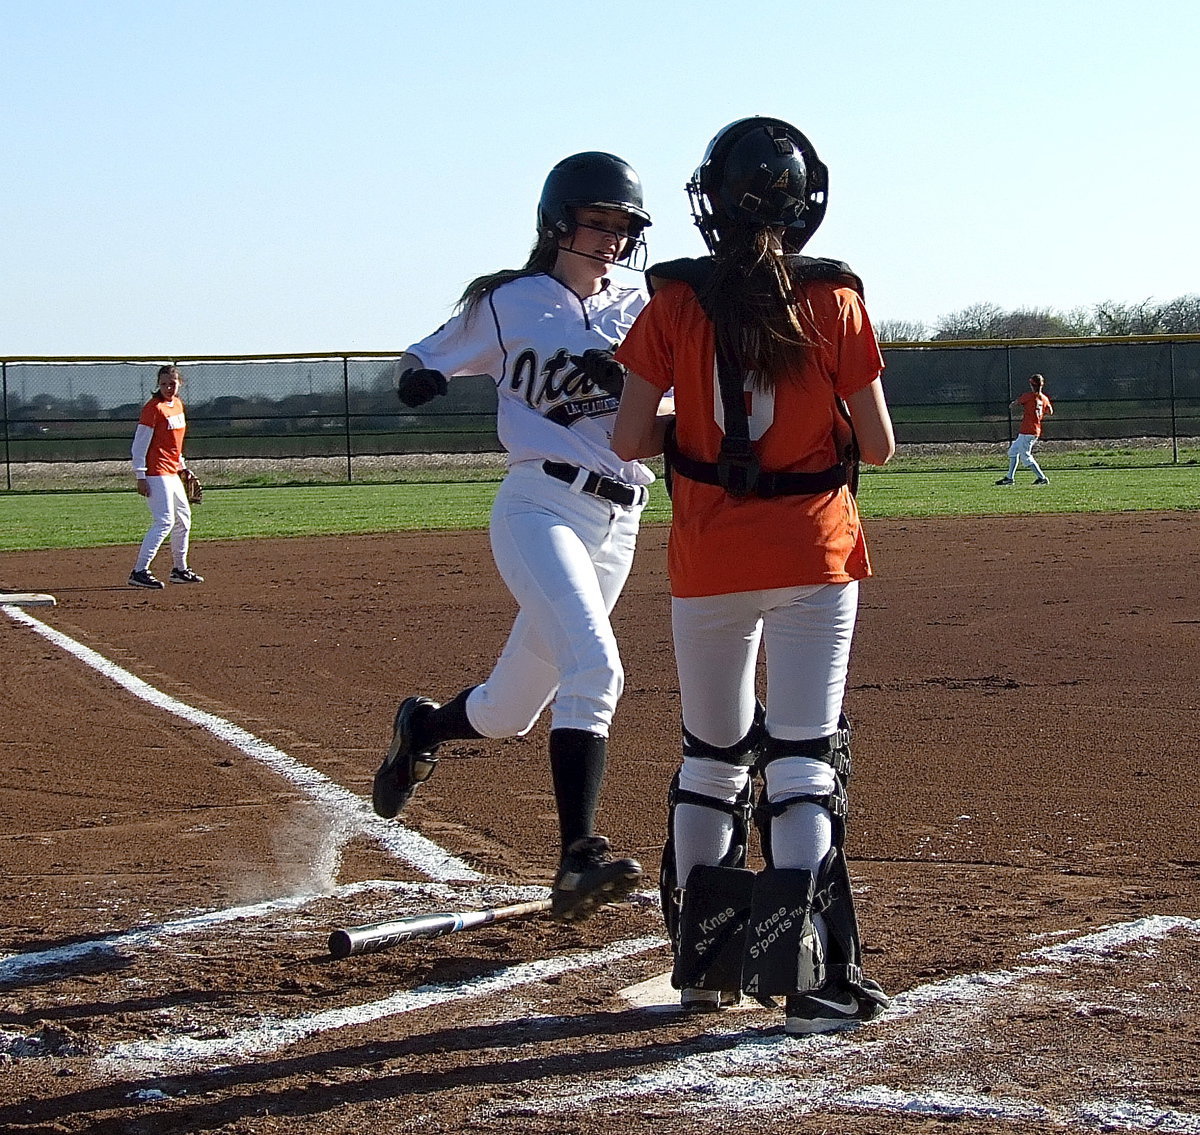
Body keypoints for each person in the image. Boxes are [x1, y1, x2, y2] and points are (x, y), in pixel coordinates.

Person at [610, 116, 896, 1033]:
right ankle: (803, 970)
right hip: (815, 555)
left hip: (710, 558)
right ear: (805, 201)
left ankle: (702, 964)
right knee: (804, 758)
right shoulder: (837, 301)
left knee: (712, 755)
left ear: (714, 203)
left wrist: (690, 427)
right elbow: (880, 447)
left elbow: (625, 440)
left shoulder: (673, 303)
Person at [372, 152, 660, 924]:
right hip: (540, 506)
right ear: (558, 221)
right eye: (596, 221)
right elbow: (423, 355)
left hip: (621, 519)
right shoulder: (509, 301)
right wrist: (419, 379)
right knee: (595, 667)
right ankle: (577, 857)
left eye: (622, 225)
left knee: (509, 710)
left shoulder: (645, 300)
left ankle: (422, 728)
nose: (610, 238)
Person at [128, 365, 204, 589]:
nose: (168, 388)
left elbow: (174, 445)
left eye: (172, 383)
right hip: (155, 472)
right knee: (164, 521)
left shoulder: (178, 405)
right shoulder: (153, 409)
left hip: (172, 470)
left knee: (184, 520)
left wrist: (183, 467)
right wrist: (140, 475)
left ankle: (180, 570)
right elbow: (139, 445)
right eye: (163, 384)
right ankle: (139, 571)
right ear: (158, 385)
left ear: (180, 383)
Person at [997, 373, 1053, 485]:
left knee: (1025, 456)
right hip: (1031, 430)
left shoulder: (1028, 396)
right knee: (1013, 452)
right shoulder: (1044, 398)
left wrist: (1016, 405)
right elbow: (1050, 411)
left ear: (1032, 385)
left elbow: (1014, 404)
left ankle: (1042, 478)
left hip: (1028, 431)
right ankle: (1009, 478)